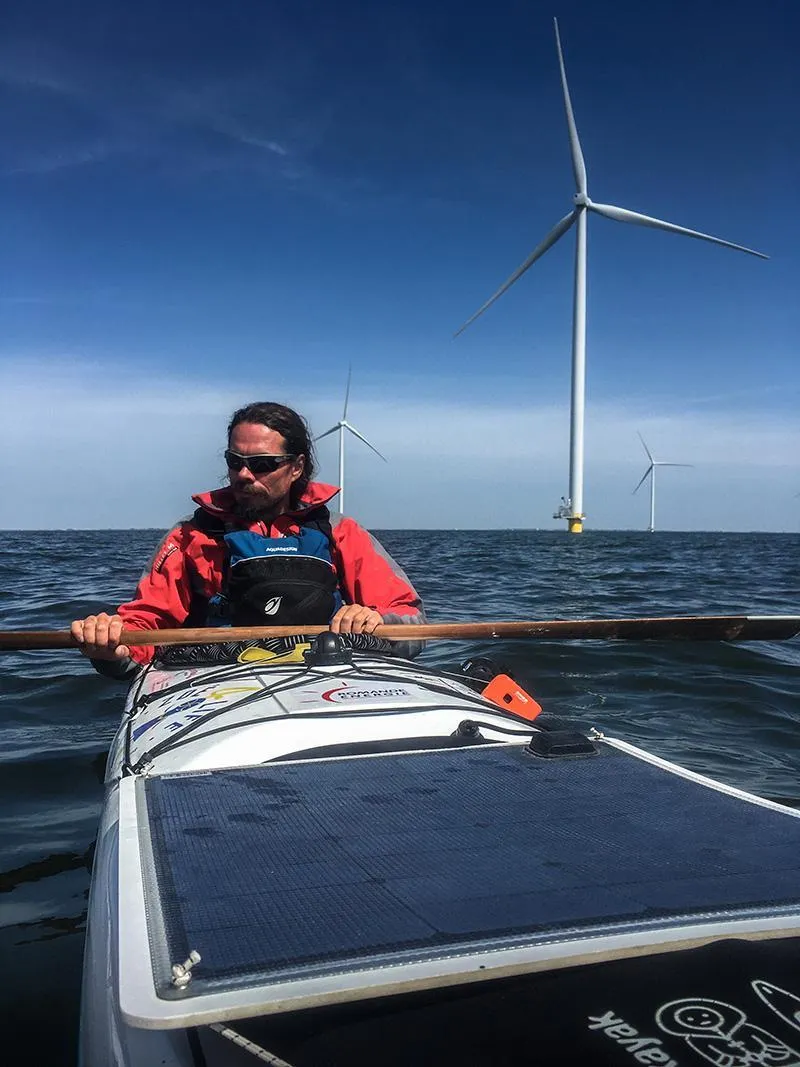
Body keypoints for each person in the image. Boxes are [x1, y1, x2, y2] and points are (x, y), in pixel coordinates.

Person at [72, 401, 425, 677]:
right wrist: (113, 646)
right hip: (218, 682)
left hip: (328, 674)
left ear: (296, 467)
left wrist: (377, 621)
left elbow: (411, 621)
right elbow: (145, 628)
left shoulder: (340, 531)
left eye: (261, 464)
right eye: (234, 461)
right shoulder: (189, 537)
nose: (243, 474)